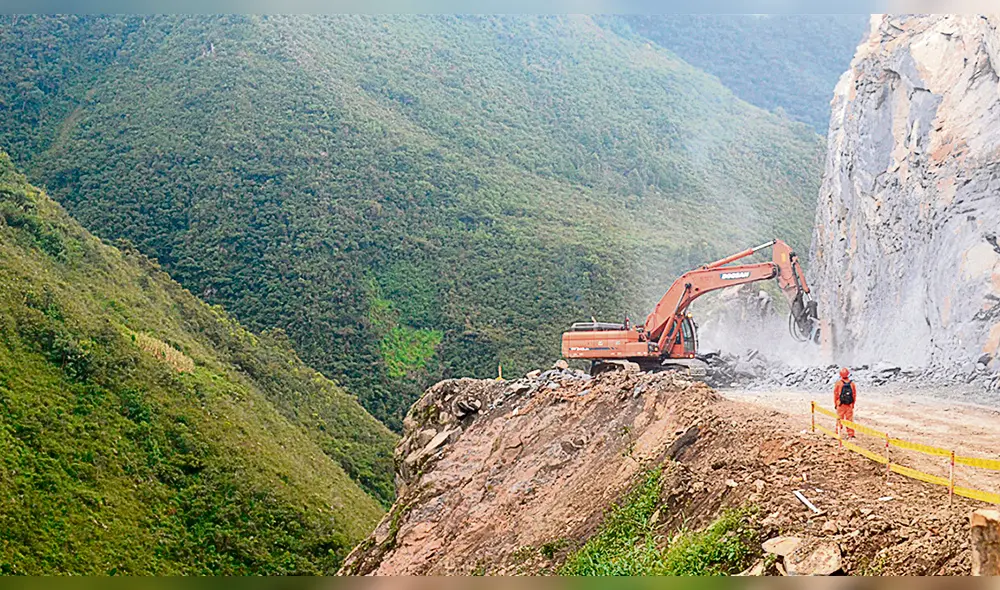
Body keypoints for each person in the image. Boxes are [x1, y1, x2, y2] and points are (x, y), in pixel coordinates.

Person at [834, 367, 856, 439]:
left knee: (839, 419)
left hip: (840, 404)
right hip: (849, 405)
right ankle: (851, 434)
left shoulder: (838, 383)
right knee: (849, 420)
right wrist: (853, 404)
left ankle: (838, 433)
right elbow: (854, 395)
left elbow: (836, 394)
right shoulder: (852, 384)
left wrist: (835, 403)